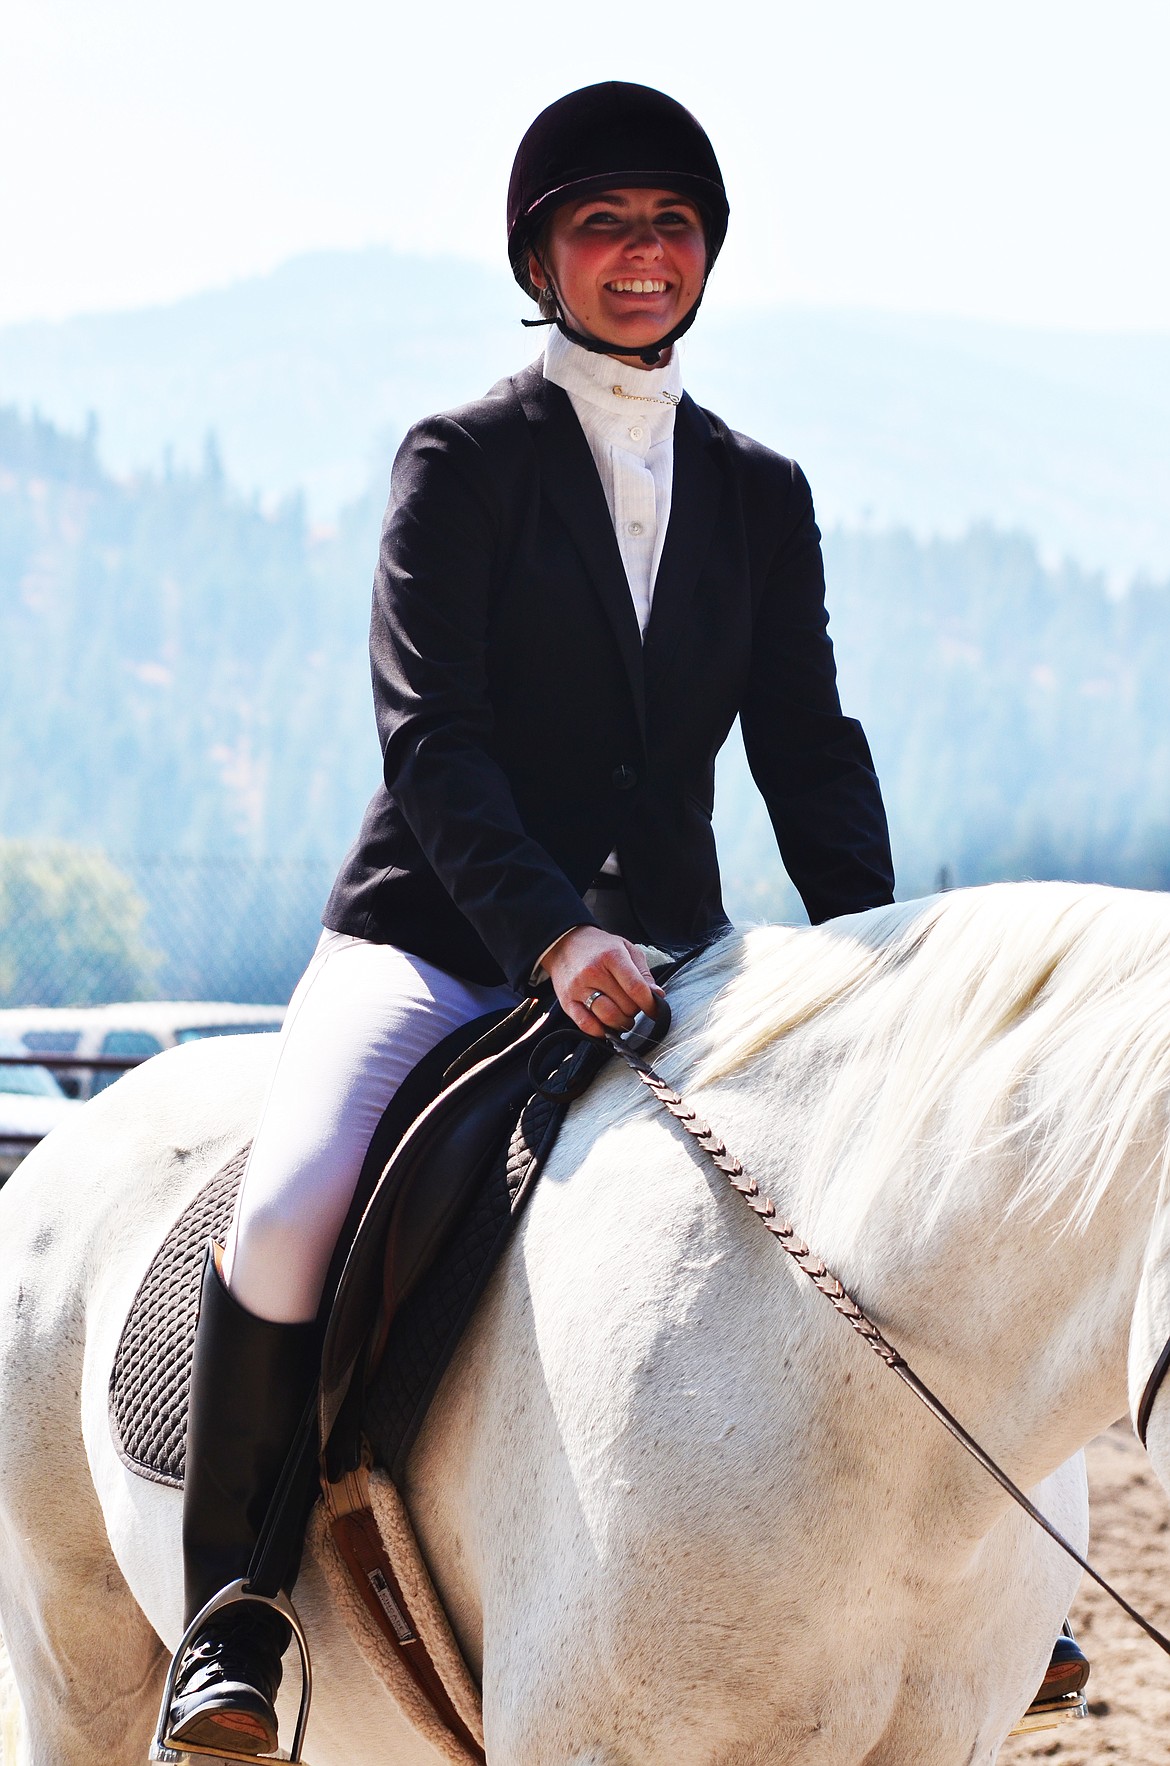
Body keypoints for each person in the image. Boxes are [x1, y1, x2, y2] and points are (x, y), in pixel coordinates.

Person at [166, 80, 899, 1756]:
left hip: (676, 957)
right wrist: (548, 933)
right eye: (602, 225)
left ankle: (999, 1584)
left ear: (706, 253)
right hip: (441, 933)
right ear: (540, 258)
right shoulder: (464, 462)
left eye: (670, 226)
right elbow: (432, 736)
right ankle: (239, 1610)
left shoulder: (756, 490)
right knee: (287, 1207)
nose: (640, 257)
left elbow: (805, 743)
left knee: (863, 1193)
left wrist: (878, 956)